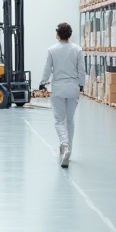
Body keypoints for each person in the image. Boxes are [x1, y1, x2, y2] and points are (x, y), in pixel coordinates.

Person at [39, 21, 85, 169]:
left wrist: (43, 82)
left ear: (58, 34)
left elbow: (47, 68)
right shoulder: (77, 50)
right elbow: (82, 70)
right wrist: (81, 85)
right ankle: (68, 150)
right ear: (70, 34)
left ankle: (64, 145)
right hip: (72, 88)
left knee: (59, 119)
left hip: (58, 88)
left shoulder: (52, 50)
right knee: (70, 120)